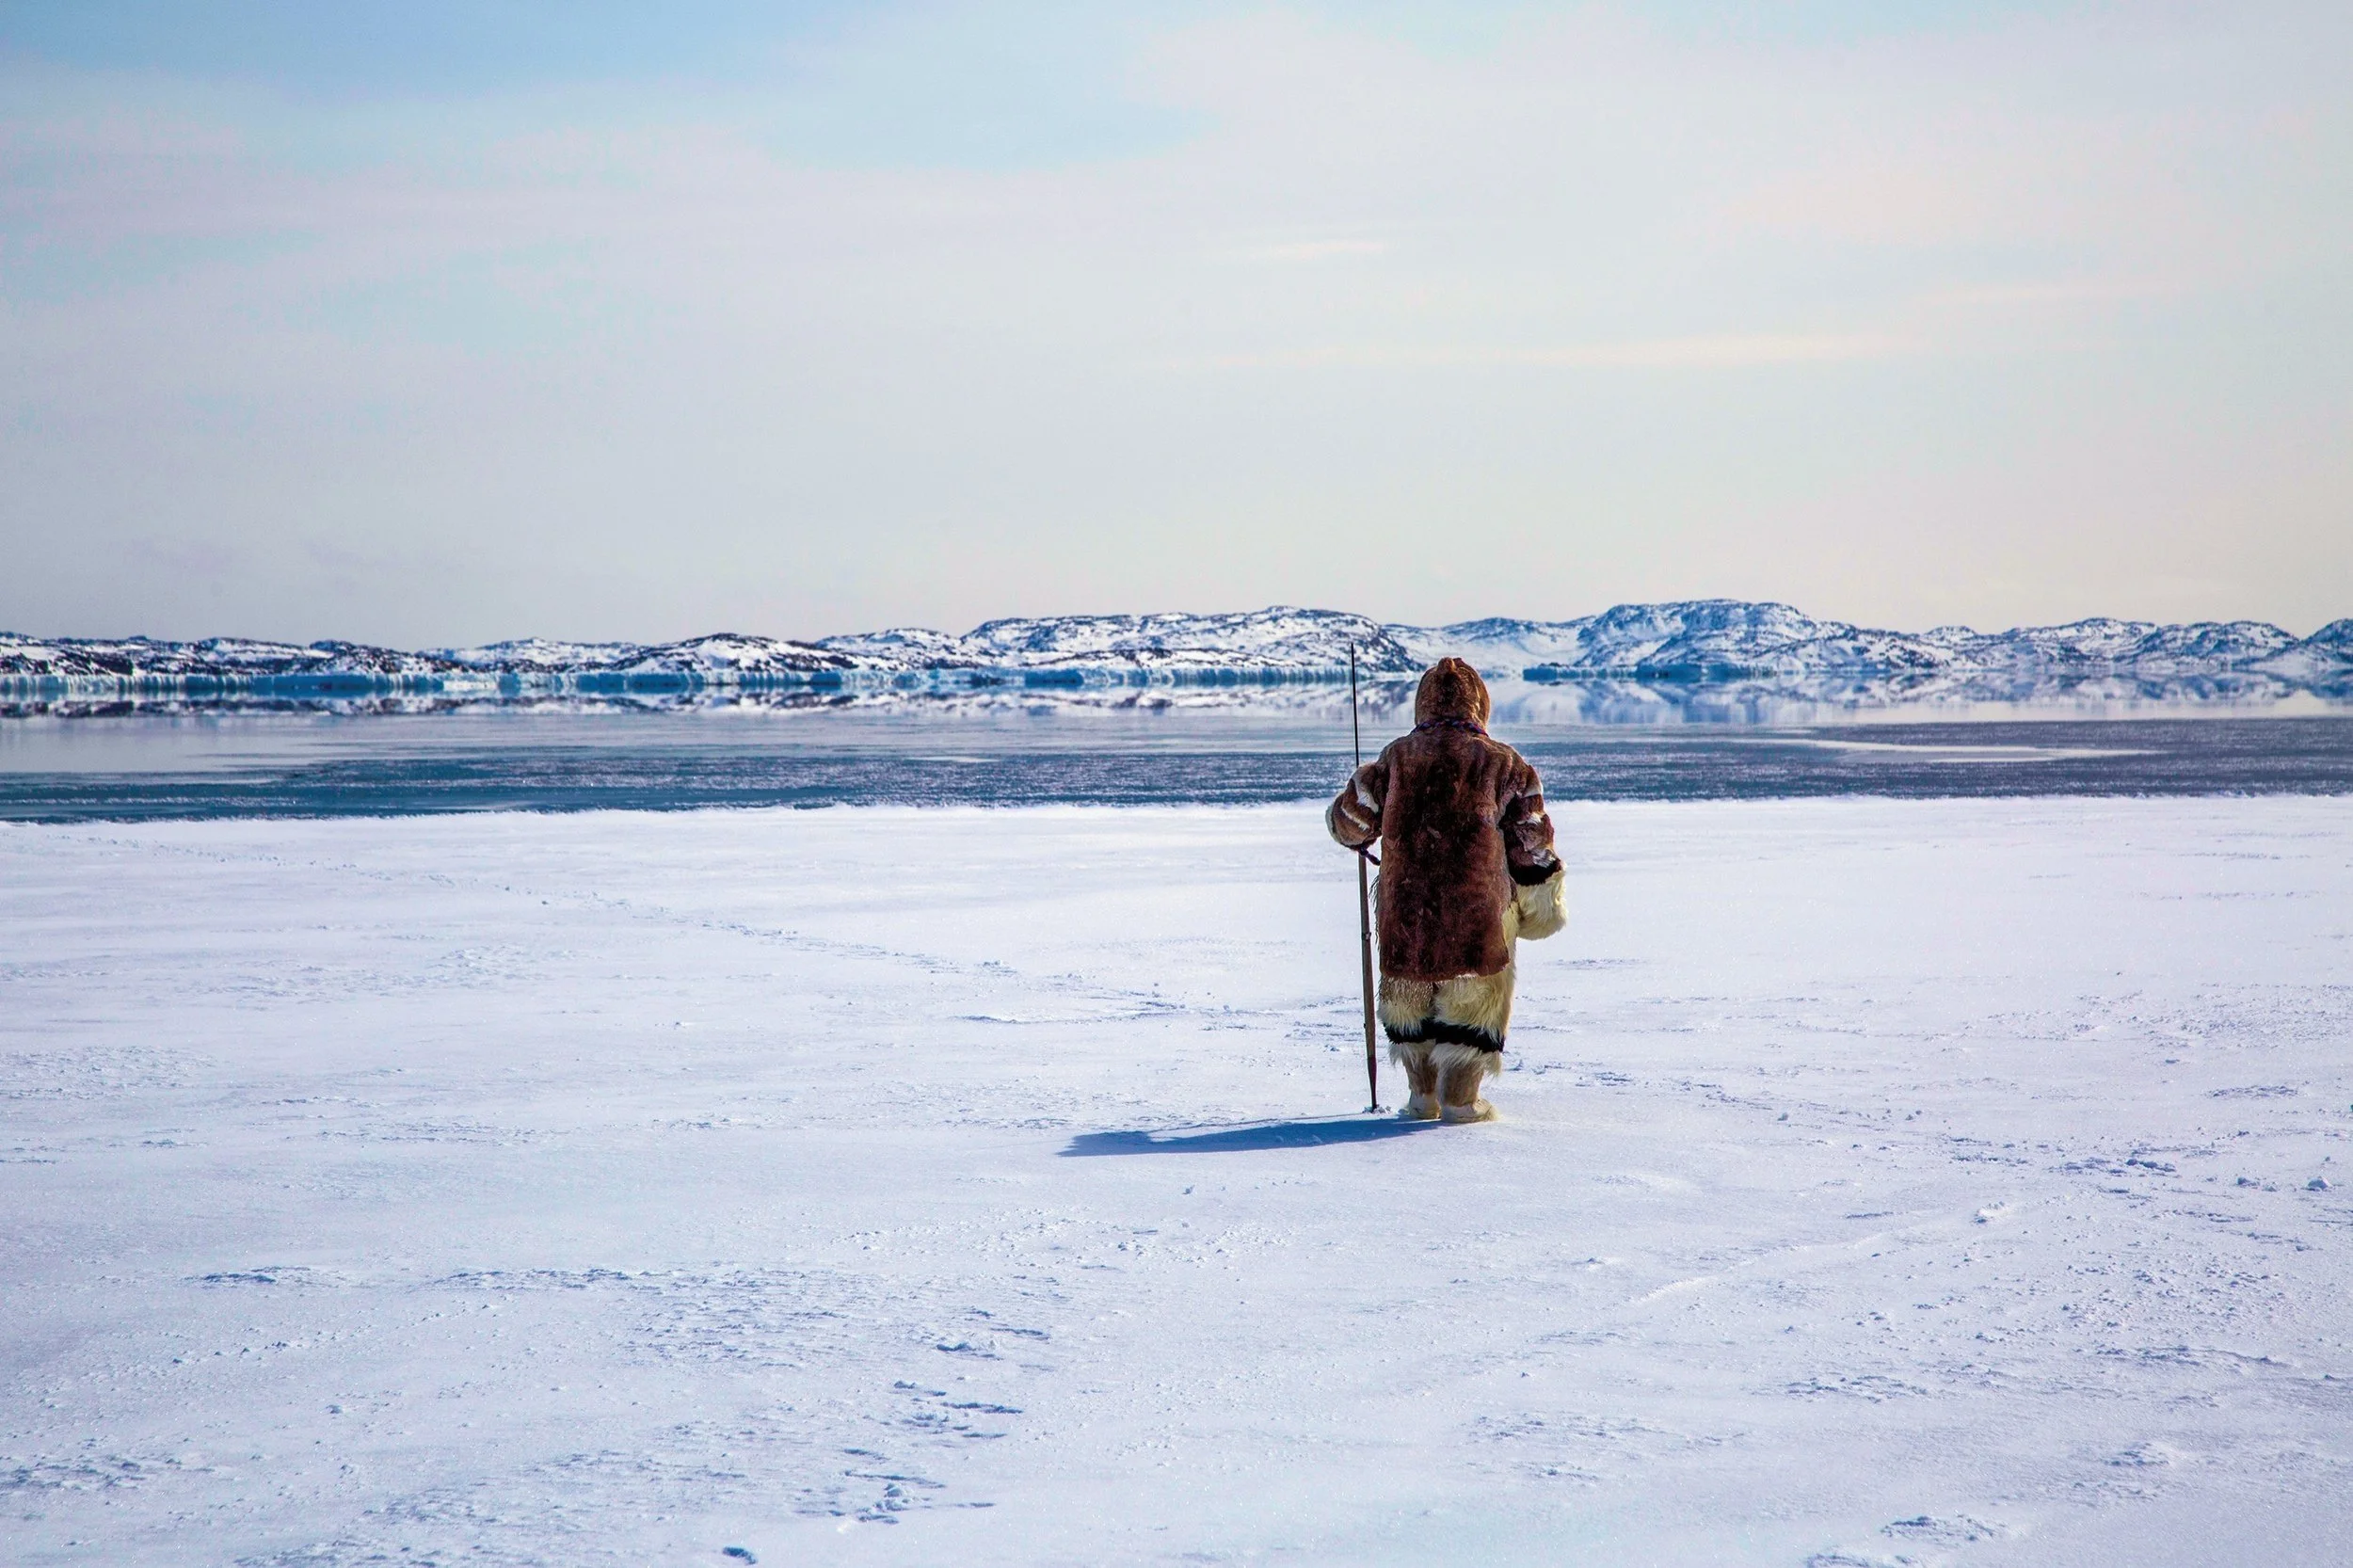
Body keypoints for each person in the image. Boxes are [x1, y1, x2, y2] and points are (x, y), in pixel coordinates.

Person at [1327, 657, 1566, 1122]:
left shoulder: (1395, 758)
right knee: (1473, 1008)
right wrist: (1543, 896)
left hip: (1406, 915)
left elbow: (1351, 823)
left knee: (1410, 1002)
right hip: (1477, 918)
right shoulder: (1505, 763)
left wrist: (1346, 820)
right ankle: (1460, 1102)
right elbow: (1532, 840)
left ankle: (1422, 1099)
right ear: (1481, 705)